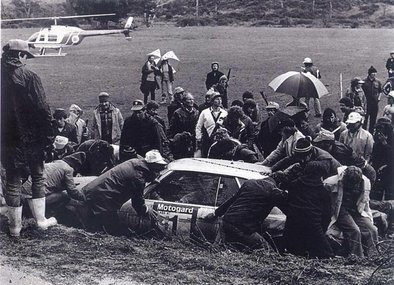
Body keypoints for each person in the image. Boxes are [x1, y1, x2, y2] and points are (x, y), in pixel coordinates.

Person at [1, 39, 57, 236]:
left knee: (13, 180)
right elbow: (43, 109)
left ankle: (14, 227)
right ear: (20, 55)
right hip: (31, 138)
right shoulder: (30, 77)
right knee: (38, 176)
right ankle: (41, 220)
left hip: (7, 139)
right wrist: (49, 137)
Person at [65, 150, 166, 234]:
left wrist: (152, 178)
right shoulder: (138, 177)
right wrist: (146, 211)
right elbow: (137, 202)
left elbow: (141, 175)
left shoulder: (135, 162)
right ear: (152, 166)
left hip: (98, 191)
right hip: (103, 197)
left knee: (98, 226)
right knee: (116, 230)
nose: (158, 171)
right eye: (157, 168)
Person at [203, 177, 287, 251]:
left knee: (219, 250)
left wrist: (215, 214)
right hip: (243, 227)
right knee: (267, 251)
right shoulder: (274, 191)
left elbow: (232, 200)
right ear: (279, 184)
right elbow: (287, 210)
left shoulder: (249, 183)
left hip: (227, 221)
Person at [283, 161, 334, 258]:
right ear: (320, 174)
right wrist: (322, 230)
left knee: (293, 252)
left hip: (292, 225)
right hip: (313, 226)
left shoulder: (294, 185)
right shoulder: (323, 191)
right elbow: (326, 214)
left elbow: (288, 203)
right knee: (327, 255)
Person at [324, 166, 378, 257]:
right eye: (349, 183)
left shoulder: (365, 183)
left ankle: (374, 256)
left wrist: (369, 218)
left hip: (357, 210)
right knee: (355, 230)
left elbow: (365, 203)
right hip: (340, 210)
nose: (352, 186)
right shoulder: (330, 183)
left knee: (372, 229)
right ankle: (357, 257)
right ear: (344, 178)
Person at [21, 152, 86, 217]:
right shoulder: (68, 169)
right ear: (76, 165)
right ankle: (51, 215)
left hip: (23, 192)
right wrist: (84, 197)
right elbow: (72, 191)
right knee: (65, 195)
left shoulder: (56, 163)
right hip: (32, 197)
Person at [271, 138, 341, 179]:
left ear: (310, 154)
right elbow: (288, 160)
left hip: (334, 176)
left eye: (303, 158)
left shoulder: (323, 159)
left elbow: (318, 179)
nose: (301, 160)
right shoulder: (302, 153)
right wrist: (272, 170)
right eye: (300, 158)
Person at [195, 92, 228, 157]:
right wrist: (199, 138)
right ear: (212, 101)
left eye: (220, 99)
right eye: (217, 99)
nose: (219, 101)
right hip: (207, 140)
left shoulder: (224, 113)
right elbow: (198, 126)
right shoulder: (205, 112)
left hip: (221, 141)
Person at [362, 66, 383, 133]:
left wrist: (379, 98)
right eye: (373, 73)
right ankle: (364, 132)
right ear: (369, 73)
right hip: (367, 103)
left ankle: (371, 133)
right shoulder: (364, 82)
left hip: (375, 103)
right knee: (365, 119)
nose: (374, 74)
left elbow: (380, 91)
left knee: (373, 119)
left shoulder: (378, 82)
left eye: (375, 73)